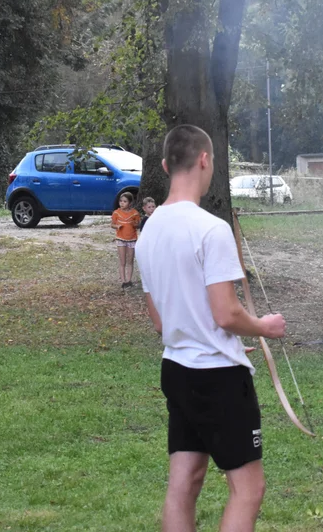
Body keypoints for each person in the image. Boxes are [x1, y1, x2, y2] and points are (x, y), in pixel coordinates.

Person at [135, 124, 286, 532]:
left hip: (178, 370)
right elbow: (227, 314)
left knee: (184, 483)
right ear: (205, 160)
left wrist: (219, 341)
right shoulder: (211, 229)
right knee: (248, 489)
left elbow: (160, 319)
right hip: (217, 378)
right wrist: (264, 327)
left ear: (167, 165)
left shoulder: (148, 232)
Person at [111, 192, 140, 288]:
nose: (122, 203)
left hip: (131, 239)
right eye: (120, 201)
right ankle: (123, 281)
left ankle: (129, 280)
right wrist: (117, 226)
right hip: (120, 239)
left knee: (130, 260)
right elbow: (112, 224)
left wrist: (135, 224)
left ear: (130, 203)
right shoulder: (116, 213)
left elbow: (137, 224)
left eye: (125, 201)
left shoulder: (135, 213)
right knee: (122, 261)